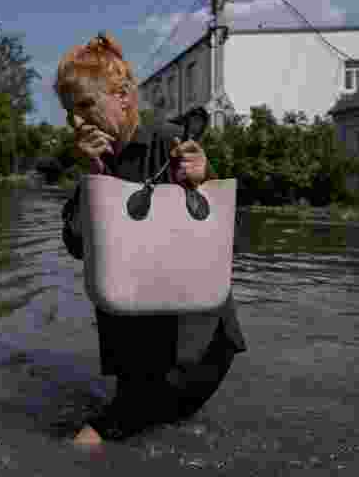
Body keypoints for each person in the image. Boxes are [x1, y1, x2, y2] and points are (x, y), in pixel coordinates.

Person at [55, 32, 247, 445]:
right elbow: (76, 245)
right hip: (138, 348)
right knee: (150, 441)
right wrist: (93, 176)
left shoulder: (169, 143)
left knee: (84, 444)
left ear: (124, 96)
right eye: (70, 111)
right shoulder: (100, 160)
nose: (77, 120)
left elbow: (229, 244)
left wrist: (201, 182)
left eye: (86, 105)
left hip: (191, 347)